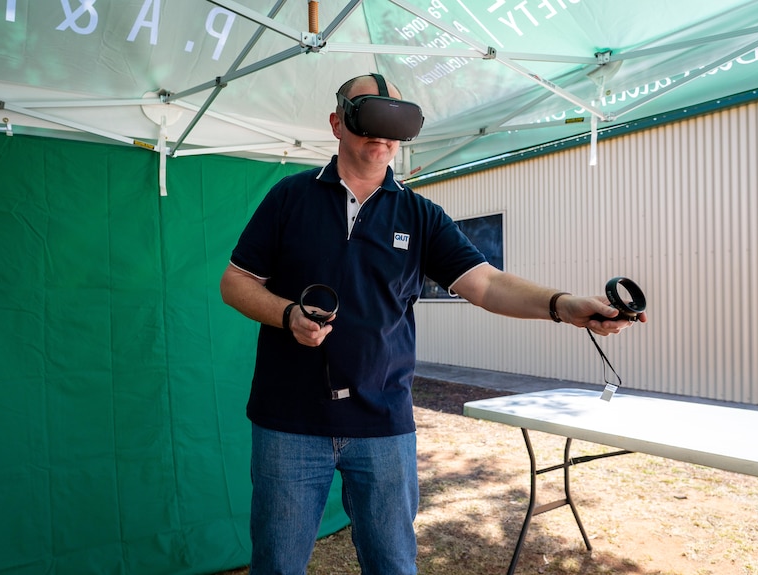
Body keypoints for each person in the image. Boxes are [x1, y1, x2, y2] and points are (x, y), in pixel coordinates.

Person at [219, 73, 646, 575]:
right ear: (337, 123)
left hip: (383, 424)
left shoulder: (420, 215)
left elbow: (486, 284)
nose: (382, 133)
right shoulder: (289, 197)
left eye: (394, 121)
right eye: (368, 115)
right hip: (288, 423)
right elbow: (236, 281)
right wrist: (287, 314)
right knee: (276, 565)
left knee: (394, 565)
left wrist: (564, 304)